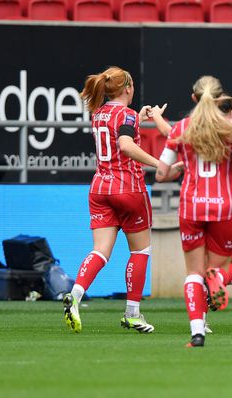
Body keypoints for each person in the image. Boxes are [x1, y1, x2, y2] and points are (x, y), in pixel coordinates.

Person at [154, 75, 232, 348]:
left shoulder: (181, 128)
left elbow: (161, 173)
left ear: (194, 98)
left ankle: (197, 333)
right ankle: (219, 278)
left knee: (193, 273)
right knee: (214, 269)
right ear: (220, 98)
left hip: (192, 207)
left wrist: (182, 167)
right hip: (224, 208)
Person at [62, 67, 160, 335]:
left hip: (100, 188)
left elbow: (119, 128)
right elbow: (126, 145)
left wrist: (137, 118)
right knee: (140, 252)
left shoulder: (98, 114)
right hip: (128, 188)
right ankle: (132, 314)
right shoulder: (126, 115)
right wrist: (157, 162)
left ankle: (75, 295)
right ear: (128, 88)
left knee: (100, 251)